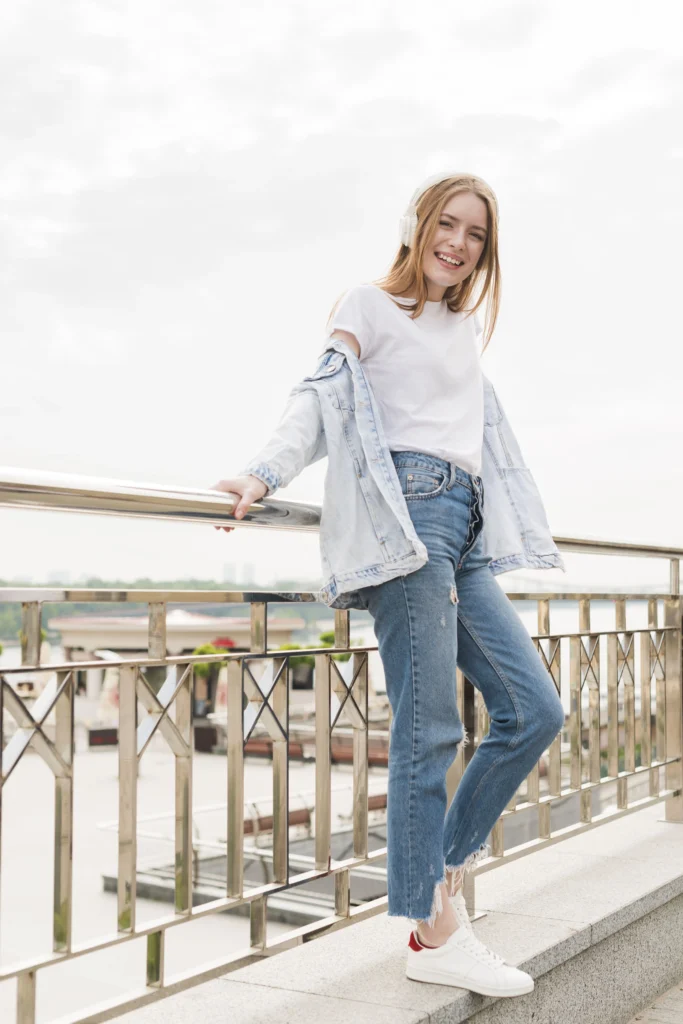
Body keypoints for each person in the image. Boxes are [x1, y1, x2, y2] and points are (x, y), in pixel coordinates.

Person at [211, 172, 565, 998]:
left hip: (465, 528)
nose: (459, 243)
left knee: (532, 709)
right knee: (429, 729)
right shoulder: (368, 303)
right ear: (416, 225)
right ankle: (435, 927)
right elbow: (323, 397)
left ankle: (435, 877)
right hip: (407, 524)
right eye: (447, 223)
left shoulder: (460, 325)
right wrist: (263, 472)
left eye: (475, 234)